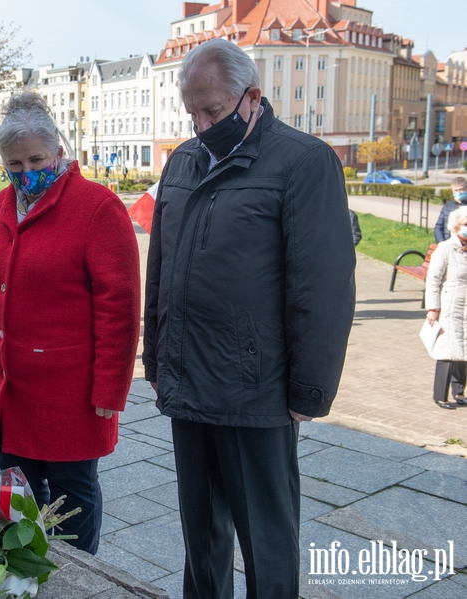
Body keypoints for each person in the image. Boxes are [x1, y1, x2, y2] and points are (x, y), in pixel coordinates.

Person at [142, 39, 355, 598]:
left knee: (267, 536)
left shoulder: (304, 161)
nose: (202, 123)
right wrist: (155, 357)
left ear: (251, 97)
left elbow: (322, 285)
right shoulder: (183, 161)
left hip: (256, 388)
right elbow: (159, 269)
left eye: (212, 110)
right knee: (201, 533)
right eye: (192, 112)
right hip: (188, 379)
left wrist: (308, 391)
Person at [0, 91, 140, 555]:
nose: (26, 172)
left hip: (67, 392)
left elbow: (119, 308)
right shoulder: (2, 204)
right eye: (14, 164)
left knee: (69, 500)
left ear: (59, 151)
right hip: (5, 385)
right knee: (17, 496)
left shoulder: (97, 207)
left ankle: (78, 579)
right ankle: (25, 571)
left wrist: (110, 391)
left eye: (36, 159)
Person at [425, 206, 467, 410]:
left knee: (464, 349)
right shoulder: (446, 247)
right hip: (449, 305)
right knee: (447, 351)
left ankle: (459, 392)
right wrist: (433, 307)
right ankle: (440, 396)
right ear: (457, 226)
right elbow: (433, 280)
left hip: (466, 307)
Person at [434, 177, 467, 242]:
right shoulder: (447, 206)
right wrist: (442, 243)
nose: (459, 192)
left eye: (461, 189)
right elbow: (439, 227)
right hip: (449, 243)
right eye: (456, 190)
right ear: (452, 190)